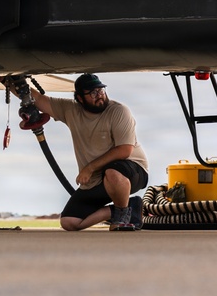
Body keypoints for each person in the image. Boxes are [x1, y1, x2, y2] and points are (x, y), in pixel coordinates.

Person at [25, 73, 149, 231]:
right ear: (80, 98)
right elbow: (40, 100)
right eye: (92, 93)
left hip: (132, 172)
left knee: (112, 172)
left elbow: (124, 150)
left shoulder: (118, 111)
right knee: (69, 222)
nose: (100, 96)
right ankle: (126, 207)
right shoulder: (71, 110)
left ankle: (123, 214)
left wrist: (89, 168)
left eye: (101, 91)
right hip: (97, 179)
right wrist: (15, 83)